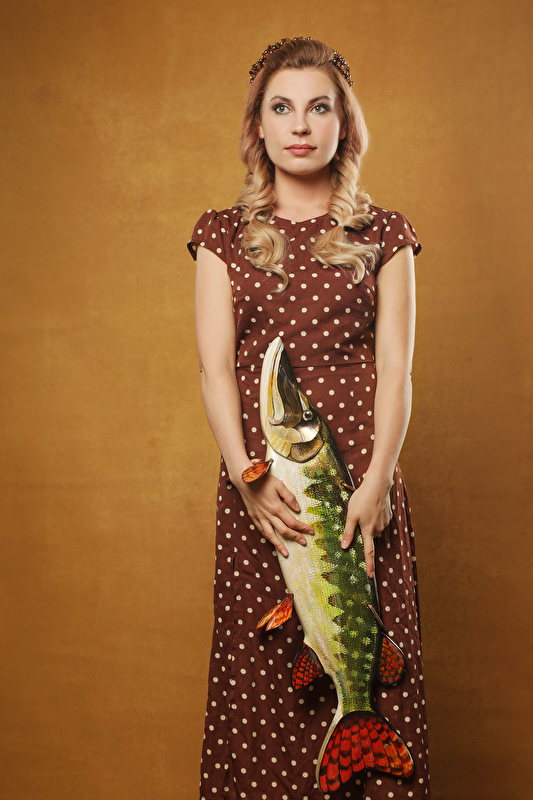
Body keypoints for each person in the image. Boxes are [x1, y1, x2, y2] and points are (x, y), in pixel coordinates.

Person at [188, 37, 429, 800]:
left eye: (318, 107)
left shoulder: (384, 233)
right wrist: (244, 476)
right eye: (282, 108)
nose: (299, 125)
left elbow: (396, 370)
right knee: (263, 680)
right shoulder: (221, 236)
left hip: (360, 485)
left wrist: (378, 482)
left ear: (343, 124)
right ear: (257, 126)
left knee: (364, 659)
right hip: (265, 491)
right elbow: (214, 370)